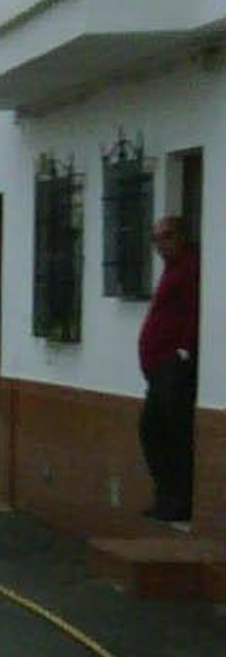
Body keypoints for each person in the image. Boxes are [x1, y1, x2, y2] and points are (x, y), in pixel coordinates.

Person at [138, 213, 199, 527]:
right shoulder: (172, 270)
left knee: (167, 432)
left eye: (165, 237)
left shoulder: (190, 268)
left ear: (180, 237)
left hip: (173, 367)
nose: (160, 245)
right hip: (159, 367)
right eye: (156, 239)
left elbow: (196, 310)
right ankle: (166, 498)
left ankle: (178, 501)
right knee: (153, 431)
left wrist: (182, 351)